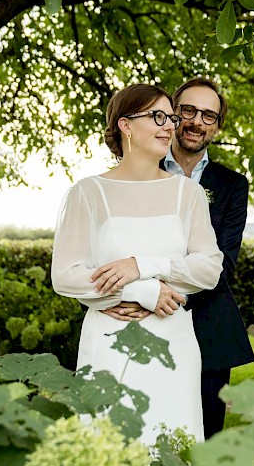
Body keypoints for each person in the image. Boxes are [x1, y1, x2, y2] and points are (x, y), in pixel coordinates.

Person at [51, 83, 223, 446]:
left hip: (173, 341)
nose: (169, 127)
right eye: (158, 117)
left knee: (173, 451)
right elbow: (66, 276)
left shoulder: (187, 193)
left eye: (170, 118)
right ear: (126, 125)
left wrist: (141, 264)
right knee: (109, 448)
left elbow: (209, 268)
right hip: (109, 342)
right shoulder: (87, 193)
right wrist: (143, 290)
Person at [107, 77, 254, 437]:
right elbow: (108, 249)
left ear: (217, 127)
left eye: (209, 115)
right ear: (171, 116)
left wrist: (162, 296)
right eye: (187, 110)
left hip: (208, 328)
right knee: (138, 431)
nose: (196, 121)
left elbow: (223, 263)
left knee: (203, 439)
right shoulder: (132, 173)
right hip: (133, 324)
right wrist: (135, 296)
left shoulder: (233, 185)